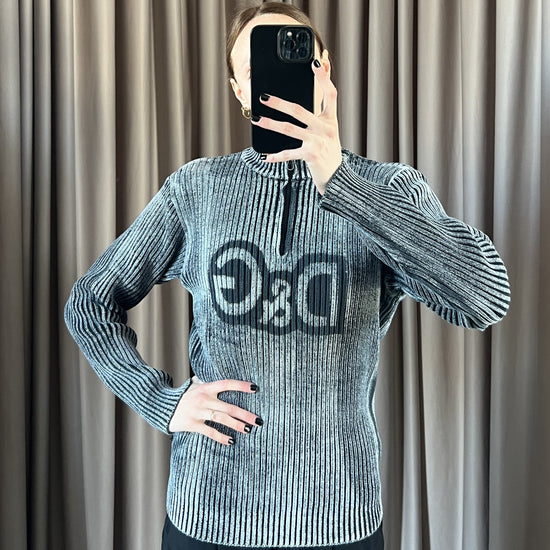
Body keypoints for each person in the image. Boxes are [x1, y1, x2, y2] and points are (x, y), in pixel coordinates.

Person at [64, 3, 511, 550]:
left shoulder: (389, 189)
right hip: (210, 516)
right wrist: (164, 401)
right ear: (239, 91)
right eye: (254, 68)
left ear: (324, 70)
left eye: (296, 58)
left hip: (340, 520)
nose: (273, 80)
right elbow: (89, 303)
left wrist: (340, 180)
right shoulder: (196, 190)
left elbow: (484, 296)